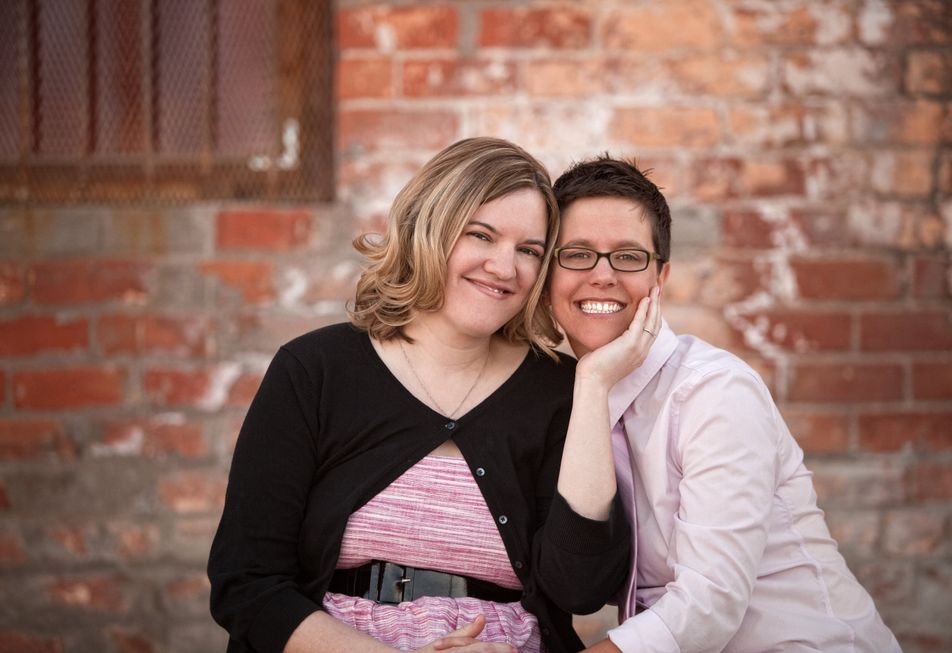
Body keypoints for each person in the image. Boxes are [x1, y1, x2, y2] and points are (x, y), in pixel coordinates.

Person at [207, 138, 631, 653]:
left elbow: (583, 589)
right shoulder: (315, 371)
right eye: (481, 235)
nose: (504, 267)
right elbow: (247, 584)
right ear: (429, 229)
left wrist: (591, 382)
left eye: (529, 251)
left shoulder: (560, 392)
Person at [546, 155, 902, 652]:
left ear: (660, 278)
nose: (602, 275)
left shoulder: (714, 392)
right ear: (546, 277)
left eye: (628, 256)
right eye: (577, 254)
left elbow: (707, 604)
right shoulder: (580, 397)